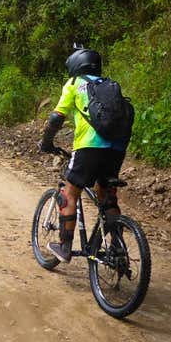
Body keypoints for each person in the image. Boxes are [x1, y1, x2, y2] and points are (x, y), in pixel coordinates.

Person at [38, 48, 129, 262]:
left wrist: (46, 142)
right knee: (106, 196)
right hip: (117, 149)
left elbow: (56, 117)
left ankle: (64, 247)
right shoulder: (110, 85)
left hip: (89, 147)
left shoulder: (75, 84)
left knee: (69, 194)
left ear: (76, 66)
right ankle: (117, 248)